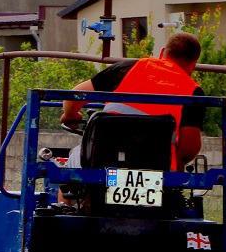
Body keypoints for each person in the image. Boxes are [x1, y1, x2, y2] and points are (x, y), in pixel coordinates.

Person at [60, 31, 206, 169]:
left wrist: (70, 115)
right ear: (193, 64)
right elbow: (189, 149)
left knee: (72, 165)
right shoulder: (194, 92)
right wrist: (176, 167)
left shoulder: (129, 67)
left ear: (162, 53)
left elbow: (74, 96)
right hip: (157, 169)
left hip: (102, 160)